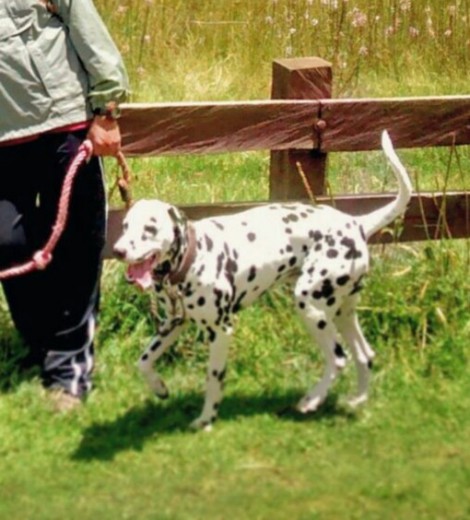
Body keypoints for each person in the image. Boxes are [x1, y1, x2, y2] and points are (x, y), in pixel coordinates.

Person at [0, 0, 129, 408]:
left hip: (64, 125)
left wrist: (107, 111)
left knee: (77, 242)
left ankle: (68, 367)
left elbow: (87, 30)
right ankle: (41, 343)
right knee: (7, 242)